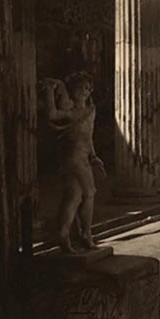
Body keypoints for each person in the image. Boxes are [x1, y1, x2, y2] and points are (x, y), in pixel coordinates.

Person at [39, 71, 105, 253]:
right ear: (72, 90)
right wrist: (51, 91)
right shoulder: (70, 109)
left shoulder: (90, 110)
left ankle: (64, 233)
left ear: (90, 91)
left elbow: (88, 137)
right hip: (73, 156)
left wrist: (94, 156)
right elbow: (52, 115)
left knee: (74, 196)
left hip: (83, 156)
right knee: (90, 192)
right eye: (79, 88)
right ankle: (86, 235)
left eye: (86, 88)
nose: (83, 91)